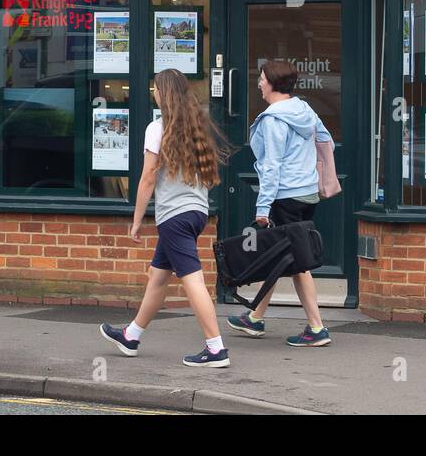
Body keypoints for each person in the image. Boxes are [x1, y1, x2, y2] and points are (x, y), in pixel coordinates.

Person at [101, 69, 232, 367]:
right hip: (196, 212)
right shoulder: (195, 127)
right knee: (158, 277)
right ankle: (131, 336)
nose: (154, 93)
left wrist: (136, 220)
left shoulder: (157, 128)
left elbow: (148, 177)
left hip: (174, 216)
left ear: (165, 94)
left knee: (193, 281)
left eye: (156, 89)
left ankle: (216, 349)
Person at [226, 58, 333, 347]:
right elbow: (326, 140)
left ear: (272, 83)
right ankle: (255, 317)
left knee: (298, 263)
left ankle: (317, 328)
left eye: (261, 79)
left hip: (285, 195)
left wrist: (263, 208)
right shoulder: (303, 109)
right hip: (307, 192)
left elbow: (271, 165)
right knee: (278, 255)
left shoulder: (274, 119)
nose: (259, 83)